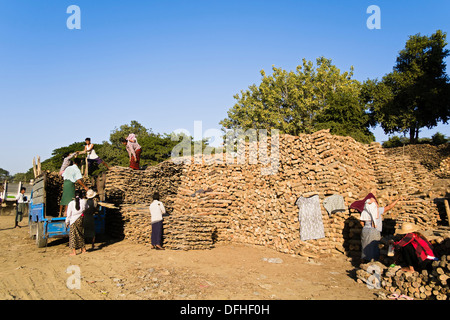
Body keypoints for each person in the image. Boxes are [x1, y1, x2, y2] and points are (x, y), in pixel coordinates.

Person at [359, 193, 402, 262]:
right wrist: (397, 200)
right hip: (373, 231)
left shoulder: (364, 211)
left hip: (365, 230)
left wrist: (366, 227)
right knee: (374, 246)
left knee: (365, 246)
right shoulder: (377, 210)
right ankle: (372, 261)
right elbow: (389, 207)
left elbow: (361, 221)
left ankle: (364, 260)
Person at [65, 190, 87, 255]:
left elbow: (68, 214)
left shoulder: (71, 203)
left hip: (73, 220)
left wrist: (67, 221)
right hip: (80, 218)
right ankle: (83, 249)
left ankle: (74, 252)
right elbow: (86, 207)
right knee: (80, 234)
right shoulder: (84, 202)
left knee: (73, 236)